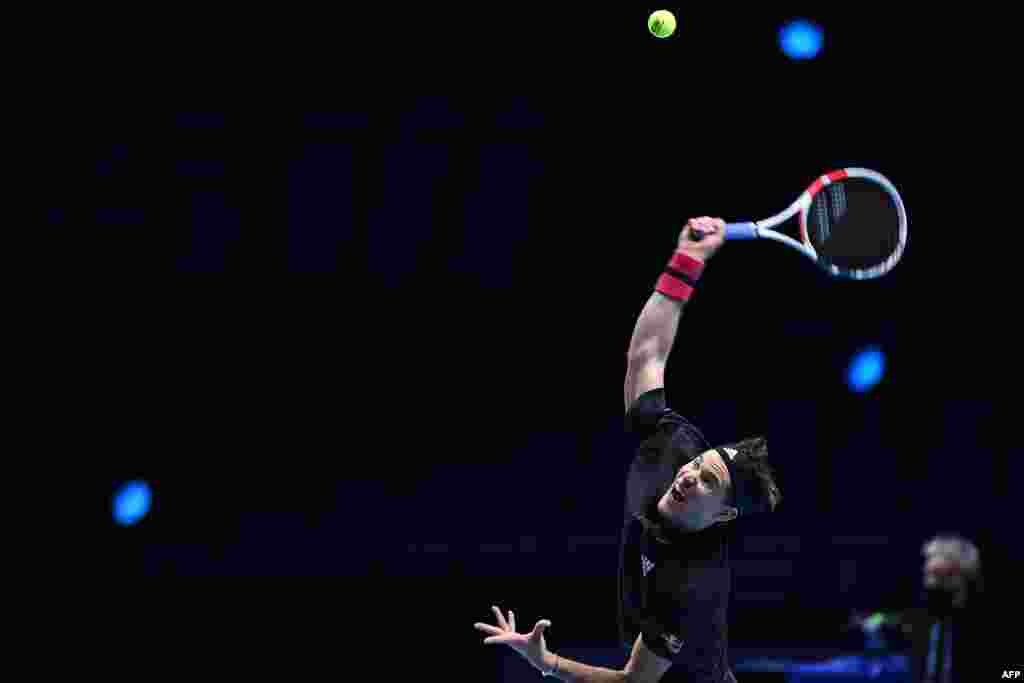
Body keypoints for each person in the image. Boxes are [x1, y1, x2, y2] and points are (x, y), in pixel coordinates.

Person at [474, 217, 783, 682]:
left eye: (707, 483)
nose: (688, 475)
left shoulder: (689, 583)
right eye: (699, 465)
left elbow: (633, 682)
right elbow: (647, 355)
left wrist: (546, 663)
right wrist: (688, 262)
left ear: (723, 515)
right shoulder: (671, 447)